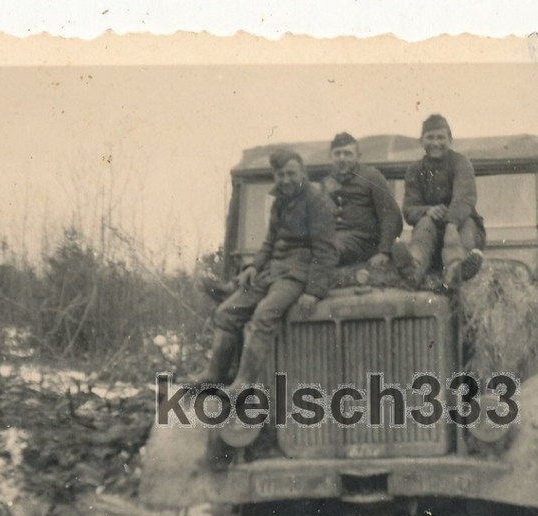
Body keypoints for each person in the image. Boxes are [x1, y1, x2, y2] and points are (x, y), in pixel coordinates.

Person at [192, 148, 338, 391]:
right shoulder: (280, 201)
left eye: (291, 173)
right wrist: (253, 267)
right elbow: (270, 242)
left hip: (296, 274)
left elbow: (326, 251)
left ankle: (242, 383)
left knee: (263, 316)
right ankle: (214, 374)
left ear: (302, 172)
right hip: (271, 270)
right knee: (227, 312)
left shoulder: (317, 202)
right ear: (276, 177)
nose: (286, 180)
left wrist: (314, 291)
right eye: (281, 175)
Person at [401, 114, 486, 289]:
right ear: (421, 141)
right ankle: (413, 269)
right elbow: (409, 209)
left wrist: (451, 224)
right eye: (430, 138)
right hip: (432, 235)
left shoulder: (460, 163)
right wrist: (427, 211)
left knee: (467, 225)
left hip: (459, 226)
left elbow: (465, 197)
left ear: (450, 139)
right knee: (424, 225)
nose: (435, 143)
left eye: (441, 137)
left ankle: (456, 269)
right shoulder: (415, 170)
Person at [320, 132, 405, 269]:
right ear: (330, 156)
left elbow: (391, 215)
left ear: (358, 156)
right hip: (335, 239)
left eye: (348, 154)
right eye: (337, 153)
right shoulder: (327, 182)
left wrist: (384, 251)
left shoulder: (372, 176)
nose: (342, 158)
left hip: (365, 241)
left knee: (325, 251)